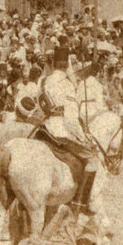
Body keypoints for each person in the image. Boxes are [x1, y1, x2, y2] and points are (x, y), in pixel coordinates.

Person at [37, 47, 97, 215]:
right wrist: (82, 137)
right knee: (92, 160)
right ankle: (80, 204)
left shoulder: (44, 81)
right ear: (67, 65)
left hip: (44, 128)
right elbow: (70, 118)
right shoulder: (67, 84)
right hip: (60, 130)